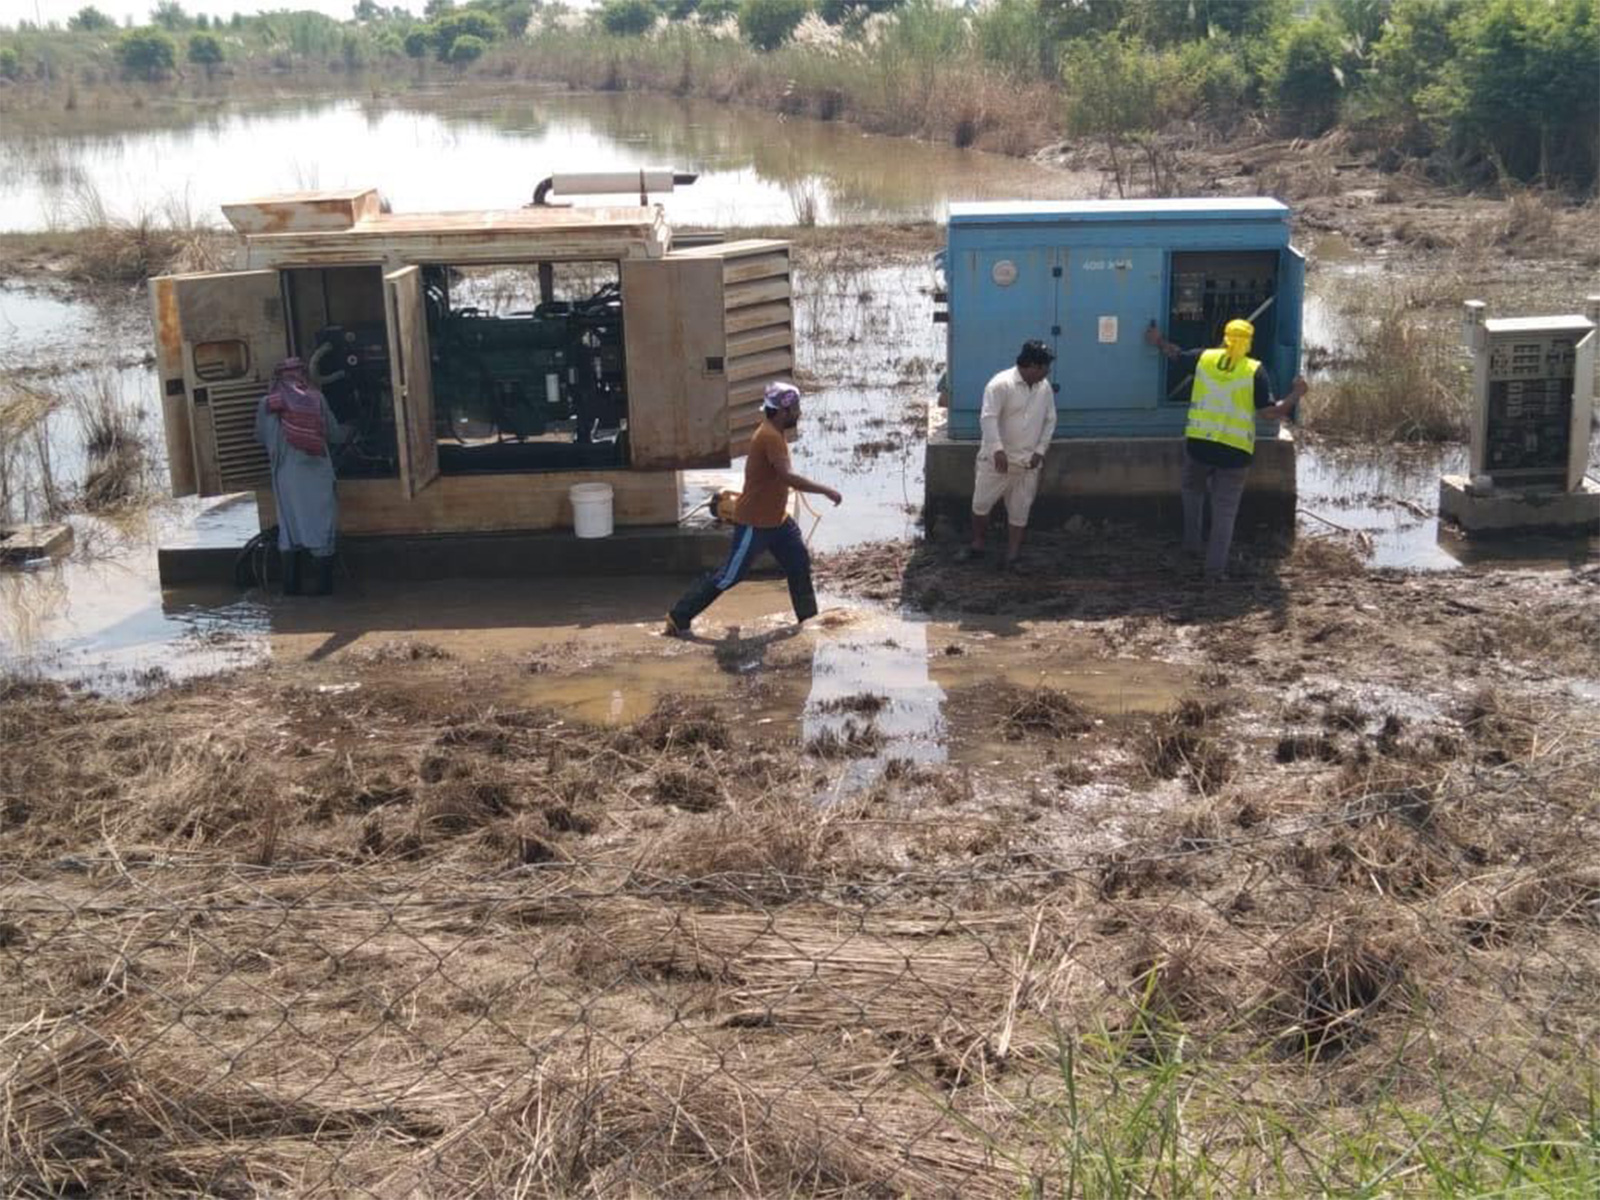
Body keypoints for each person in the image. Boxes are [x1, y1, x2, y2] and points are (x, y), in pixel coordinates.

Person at [665, 382, 841, 637]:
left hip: (778, 521)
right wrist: (826, 490)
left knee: (799, 563)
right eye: (795, 409)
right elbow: (788, 477)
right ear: (782, 411)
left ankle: (809, 620)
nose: (799, 413)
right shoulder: (769, 436)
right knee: (729, 576)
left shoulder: (775, 431)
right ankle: (679, 616)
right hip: (755, 524)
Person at [1144, 317, 1308, 583]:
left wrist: (1157, 340)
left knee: (1192, 491)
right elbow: (1270, 413)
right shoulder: (1254, 370)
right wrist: (1296, 394)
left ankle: (1192, 546)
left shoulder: (1204, 358)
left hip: (1200, 445)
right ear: (1249, 343)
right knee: (1225, 511)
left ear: (1224, 338)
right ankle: (1214, 572)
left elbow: (1176, 354)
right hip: (1235, 453)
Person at [959, 339, 1057, 572]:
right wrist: (997, 450)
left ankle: (1012, 556)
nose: (1047, 372)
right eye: (1045, 367)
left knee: (1020, 510)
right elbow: (988, 418)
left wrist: (1040, 451)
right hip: (996, 462)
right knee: (981, 504)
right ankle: (978, 543)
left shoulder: (1044, 388)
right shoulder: (1000, 385)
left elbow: (1050, 420)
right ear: (1032, 366)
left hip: (1027, 463)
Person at [255, 356, 344, 596]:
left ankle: (291, 592)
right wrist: (352, 429)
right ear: (303, 375)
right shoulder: (316, 398)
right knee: (320, 528)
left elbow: (261, 437)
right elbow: (334, 434)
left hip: (284, 478)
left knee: (289, 530)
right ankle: (323, 593)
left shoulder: (267, 403)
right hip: (317, 476)